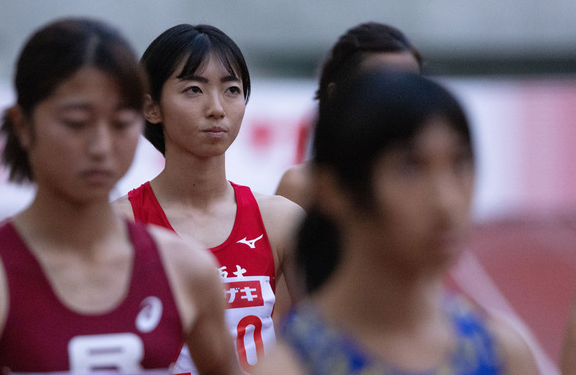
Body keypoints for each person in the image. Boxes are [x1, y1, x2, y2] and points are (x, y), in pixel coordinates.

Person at [0, 18, 240, 375]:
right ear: (22, 125)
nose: (100, 147)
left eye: (120, 123)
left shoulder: (188, 272)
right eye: (77, 122)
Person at [254, 70, 538, 374]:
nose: (446, 201)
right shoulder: (290, 368)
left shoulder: (504, 354)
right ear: (332, 190)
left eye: (459, 163)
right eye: (410, 167)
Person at [112, 24, 304, 375]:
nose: (216, 108)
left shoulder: (282, 221)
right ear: (151, 108)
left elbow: (327, 341)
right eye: (194, 90)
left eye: (232, 89)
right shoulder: (120, 225)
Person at [274, 21, 423, 211]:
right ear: (336, 95)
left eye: (412, 87)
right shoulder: (301, 187)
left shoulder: (433, 185)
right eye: (380, 86)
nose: (399, 100)